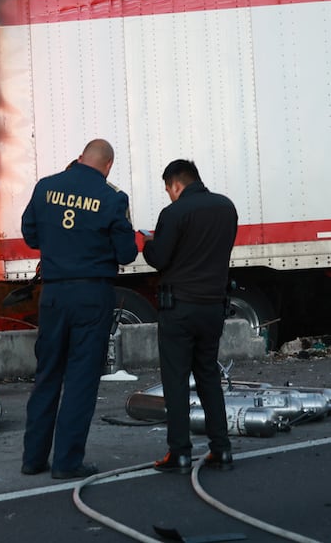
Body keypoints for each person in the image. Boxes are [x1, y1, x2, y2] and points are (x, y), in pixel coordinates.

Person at [19, 139, 138, 479]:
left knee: (47, 377)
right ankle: (67, 462)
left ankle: (33, 458)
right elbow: (127, 253)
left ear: (81, 157)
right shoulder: (113, 197)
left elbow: (30, 235)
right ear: (108, 165)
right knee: (81, 381)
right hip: (91, 295)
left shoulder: (46, 187)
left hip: (53, 295)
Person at [143, 159, 238, 474]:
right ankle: (221, 450)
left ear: (175, 184)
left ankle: (179, 454)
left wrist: (147, 244)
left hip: (180, 308)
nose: (169, 195)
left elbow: (160, 258)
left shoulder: (174, 213)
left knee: (176, 380)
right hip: (214, 307)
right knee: (209, 376)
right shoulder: (226, 207)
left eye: (168, 189)